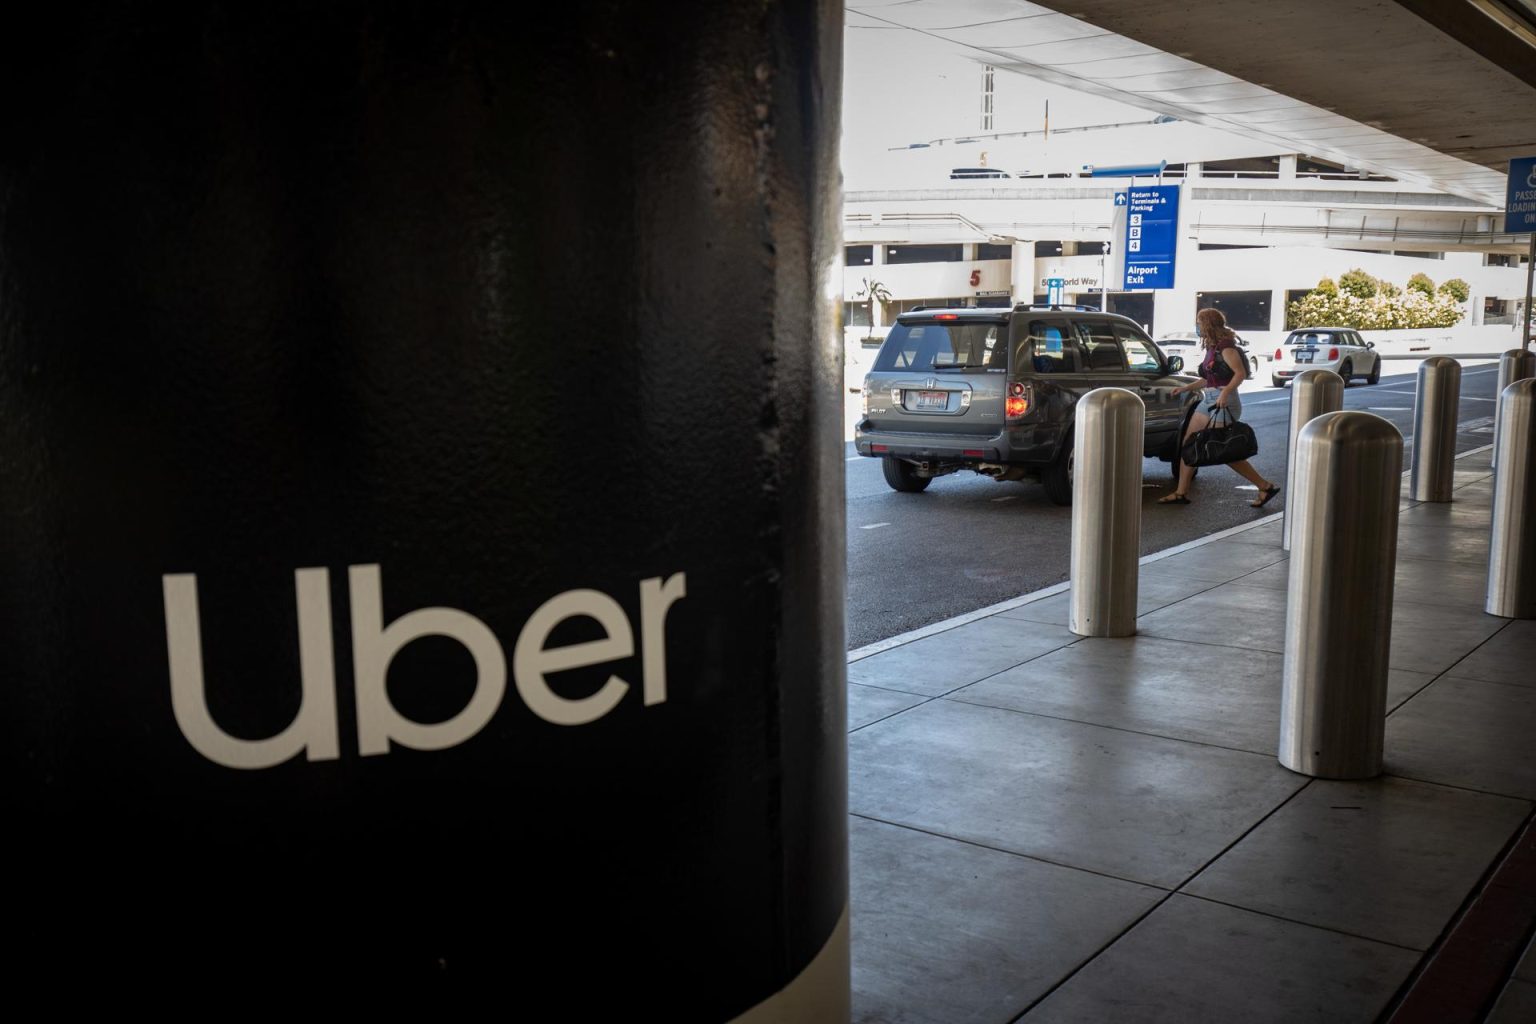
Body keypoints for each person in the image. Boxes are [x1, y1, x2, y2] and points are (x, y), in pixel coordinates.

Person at [1159, 307, 1281, 507]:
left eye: (1199, 322)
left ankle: (1264, 486)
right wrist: (1185, 389)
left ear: (1207, 324)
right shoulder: (1212, 347)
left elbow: (1239, 373)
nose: (1197, 326)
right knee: (1189, 444)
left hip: (1225, 401)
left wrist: (1224, 393)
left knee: (1224, 450)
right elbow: (1208, 379)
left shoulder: (1226, 347)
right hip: (1210, 399)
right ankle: (1181, 492)